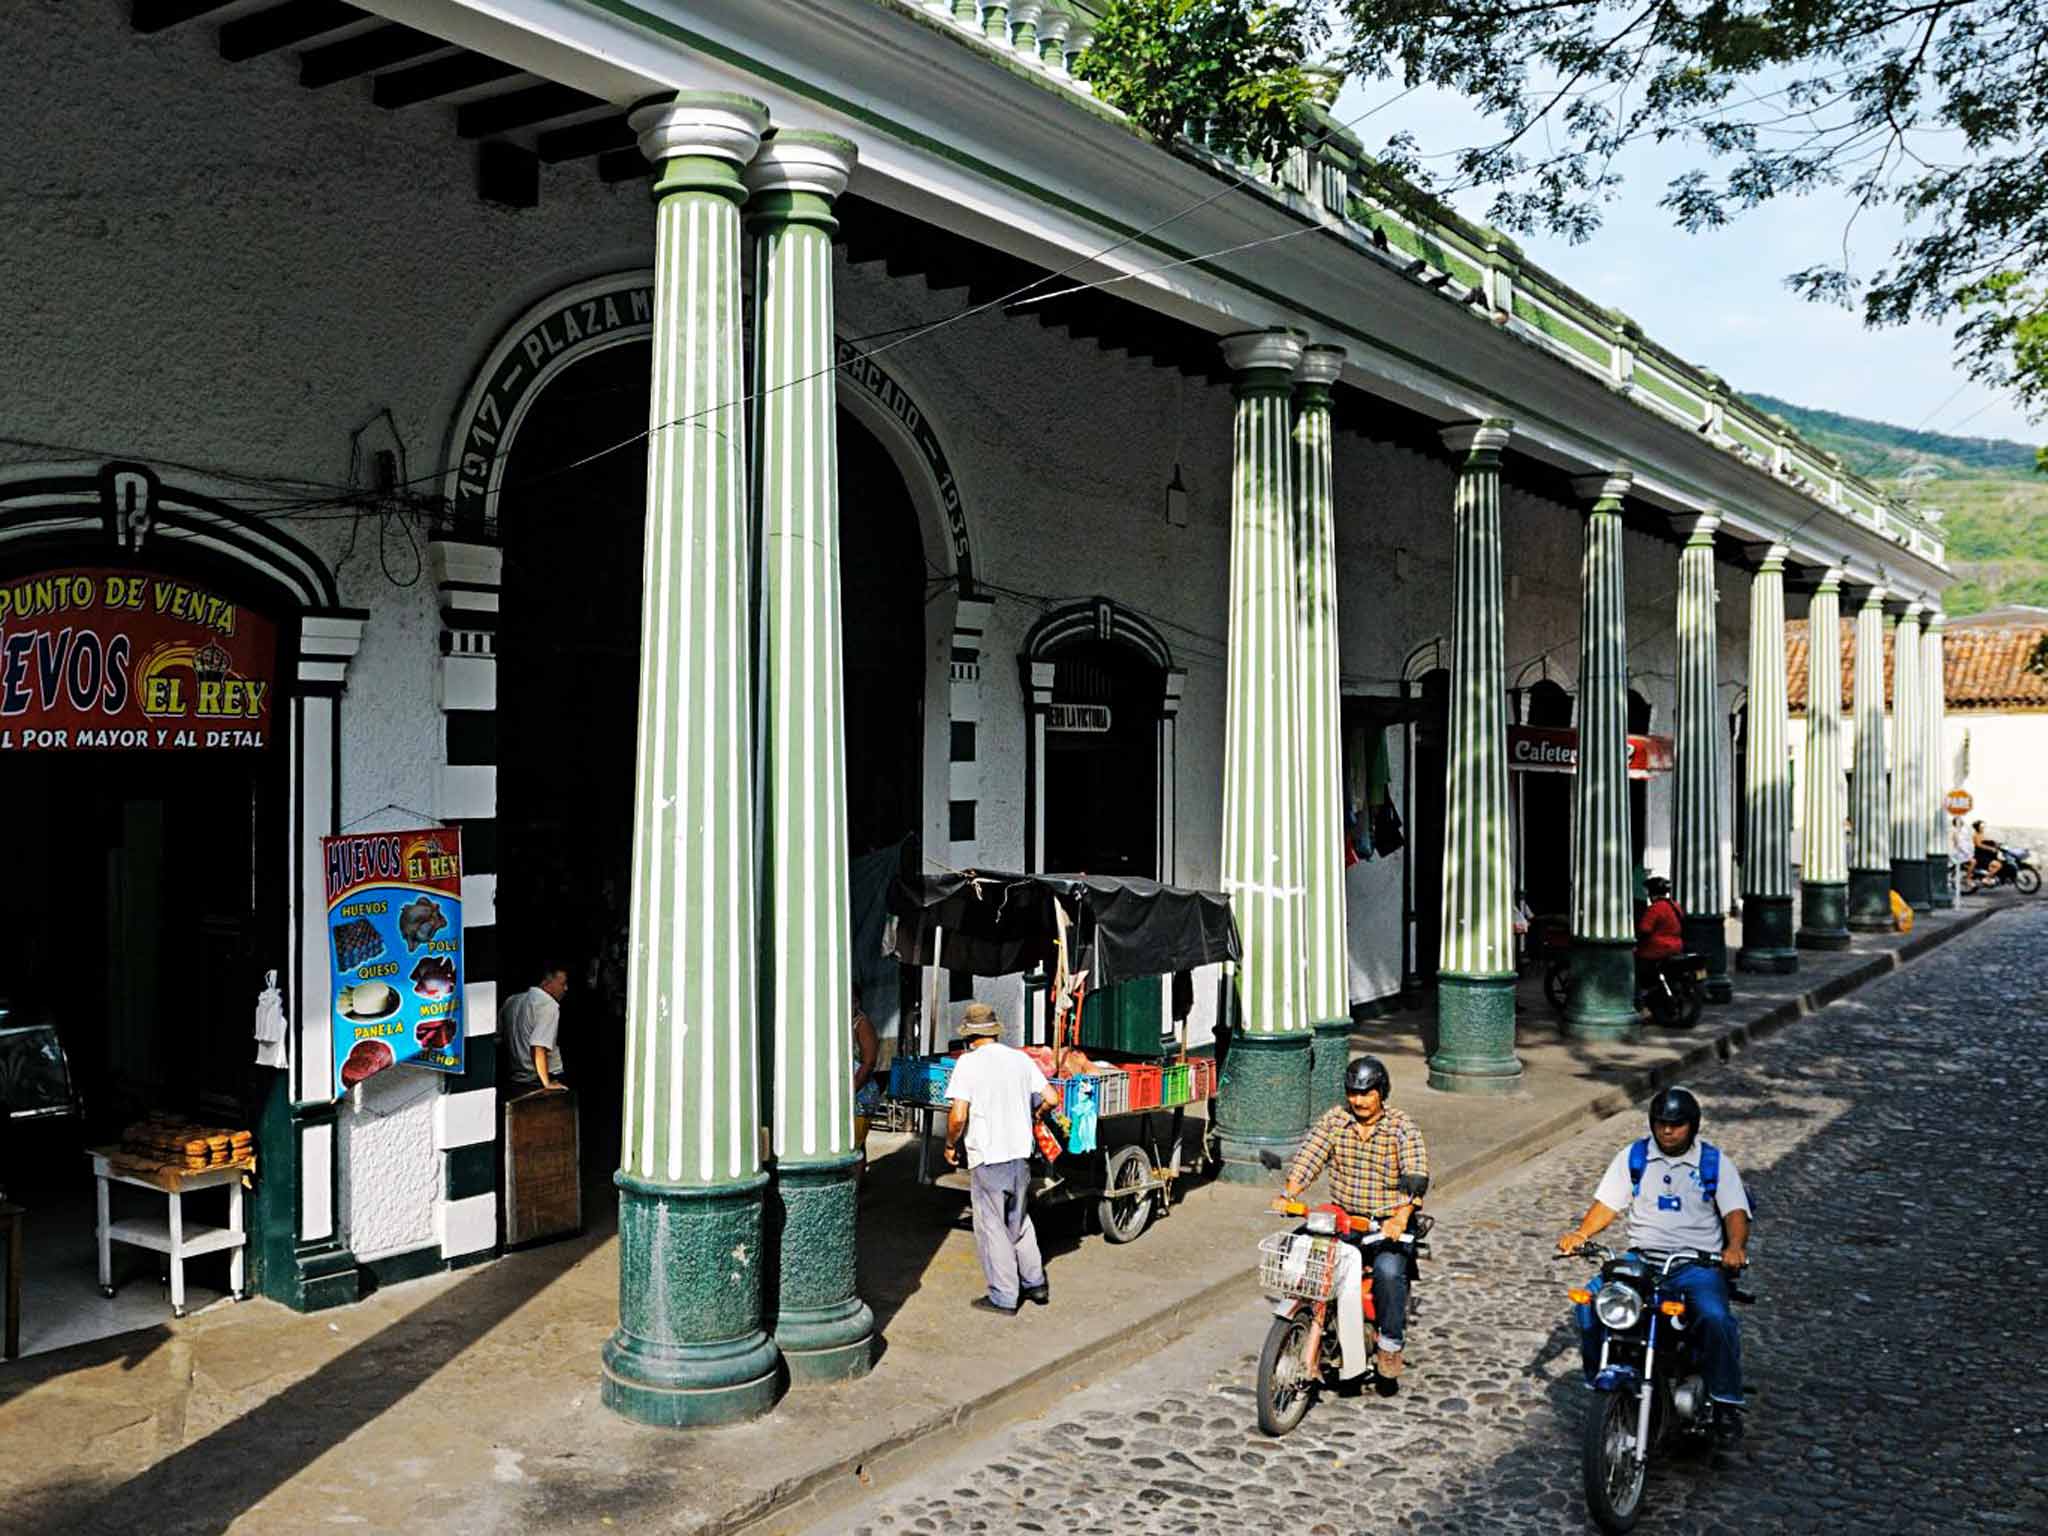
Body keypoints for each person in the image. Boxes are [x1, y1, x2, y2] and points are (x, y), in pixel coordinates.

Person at [1557, 1086, 1753, 1445]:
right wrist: (1581, 1234)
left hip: (1696, 1264)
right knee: (1589, 1304)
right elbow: (1607, 1204)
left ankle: (1725, 1401)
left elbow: (1735, 1212)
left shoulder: (1713, 1163)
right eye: (1661, 1123)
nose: (1667, 1131)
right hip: (1642, 1260)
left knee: (1714, 1317)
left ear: (1692, 1127)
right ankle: (1601, 1386)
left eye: (1676, 1125)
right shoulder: (1634, 1157)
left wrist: (1735, 1247)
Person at [1278, 1055, 1431, 1387]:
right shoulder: (1336, 1120)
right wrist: (1289, 1193)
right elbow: (1311, 1154)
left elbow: (1416, 1174)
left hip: (1385, 1225)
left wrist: (1401, 1217)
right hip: (1344, 1221)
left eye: (1366, 1093)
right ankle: (1313, 1330)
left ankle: (1389, 1346)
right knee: (1306, 1262)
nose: (1358, 1101)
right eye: (1353, 1093)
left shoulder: (1401, 1127)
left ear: (1381, 1092)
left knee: (1389, 1274)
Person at [942, 1002, 1061, 1315]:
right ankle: (1036, 1283)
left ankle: (1004, 1296)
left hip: (988, 1156)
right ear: (994, 1032)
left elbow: (957, 1116)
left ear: (969, 1036)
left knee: (992, 1226)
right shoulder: (1019, 1060)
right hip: (1020, 1154)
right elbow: (1052, 1097)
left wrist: (951, 1144)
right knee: (1018, 1219)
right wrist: (1037, 1113)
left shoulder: (968, 1064)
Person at [501, 960, 570, 1092]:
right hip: (541, 1078)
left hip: (516, 1079)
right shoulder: (549, 1005)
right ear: (547, 982)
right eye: (562, 984)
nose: (566, 988)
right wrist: (547, 1083)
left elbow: (499, 1039)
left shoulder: (511, 1001)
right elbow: (538, 1046)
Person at [851, 983, 881, 1176]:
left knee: (852, 1147)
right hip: (852, 1092)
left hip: (860, 1093)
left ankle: (853, 1197)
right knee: (857, 1147)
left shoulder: (861, 1024)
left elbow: (869, 1062)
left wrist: (851, 1089)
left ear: (856, 1001)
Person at [1970, 820, 2005, 887]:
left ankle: (1992, 877)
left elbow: (1985, 840)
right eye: (1982, 826)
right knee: (1998, 865)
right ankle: (1986, 878)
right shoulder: (1975, 835)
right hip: (1980, 856)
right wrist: (1991, 848)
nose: (1983, 827)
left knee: (1999, 862)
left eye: (1983, 826)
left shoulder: (1981, 833)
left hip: (1986, 854)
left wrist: (1995, 843)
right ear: (1978, 827)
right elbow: (1979, 845)